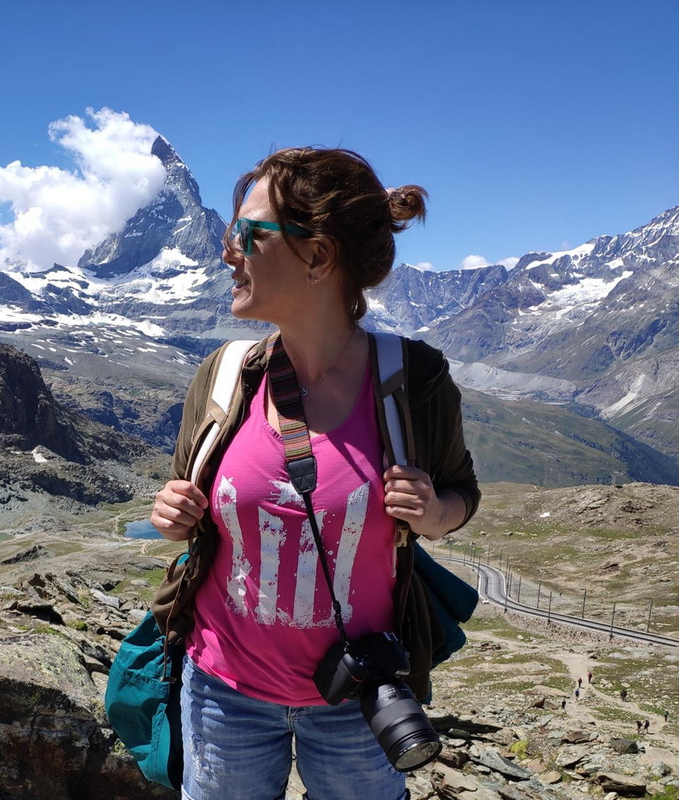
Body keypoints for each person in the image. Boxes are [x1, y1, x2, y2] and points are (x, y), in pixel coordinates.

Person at [150, 147, 480, 800]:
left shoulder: (413, 381)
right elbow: (188, 508)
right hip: (222, 692)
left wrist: (437, 514)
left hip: (361, 697)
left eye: (249, 234)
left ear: (319, 257)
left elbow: (460, 491)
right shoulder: (222, 376)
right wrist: (172, 515)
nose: (228, 252)